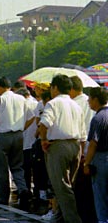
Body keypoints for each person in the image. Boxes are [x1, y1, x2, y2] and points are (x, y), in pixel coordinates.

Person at [39, 74, 84, 223]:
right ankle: (60, 217)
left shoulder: (53, 103)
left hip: (59, 146)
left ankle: (73, 220)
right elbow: (83, 133)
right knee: (69, 185)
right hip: (76, 146)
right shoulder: (76, 105)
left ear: (55, 88)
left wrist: (44, 140)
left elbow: (44, 124)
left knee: (61, 187)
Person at [0, 77, 31, 209]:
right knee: (17, 166)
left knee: (2, 167)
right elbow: (32, 116)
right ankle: (23, 189)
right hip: (18, 135)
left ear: (0, 87)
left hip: (3, 135)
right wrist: (22, 127)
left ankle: (3, 197)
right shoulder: (21, 98)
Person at [69, 76, 97, 222]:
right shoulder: (89, 101)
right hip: (92, 149)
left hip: (79, 148)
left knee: (78, 187)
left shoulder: (72, 104)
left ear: (72, 89)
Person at [84, 87, 108, 222]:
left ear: (96, 99)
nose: (88, 101)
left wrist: (87, 163)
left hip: (101, 158)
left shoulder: (98, 118)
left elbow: (93, 143)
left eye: (90, 98)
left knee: (100, 196)